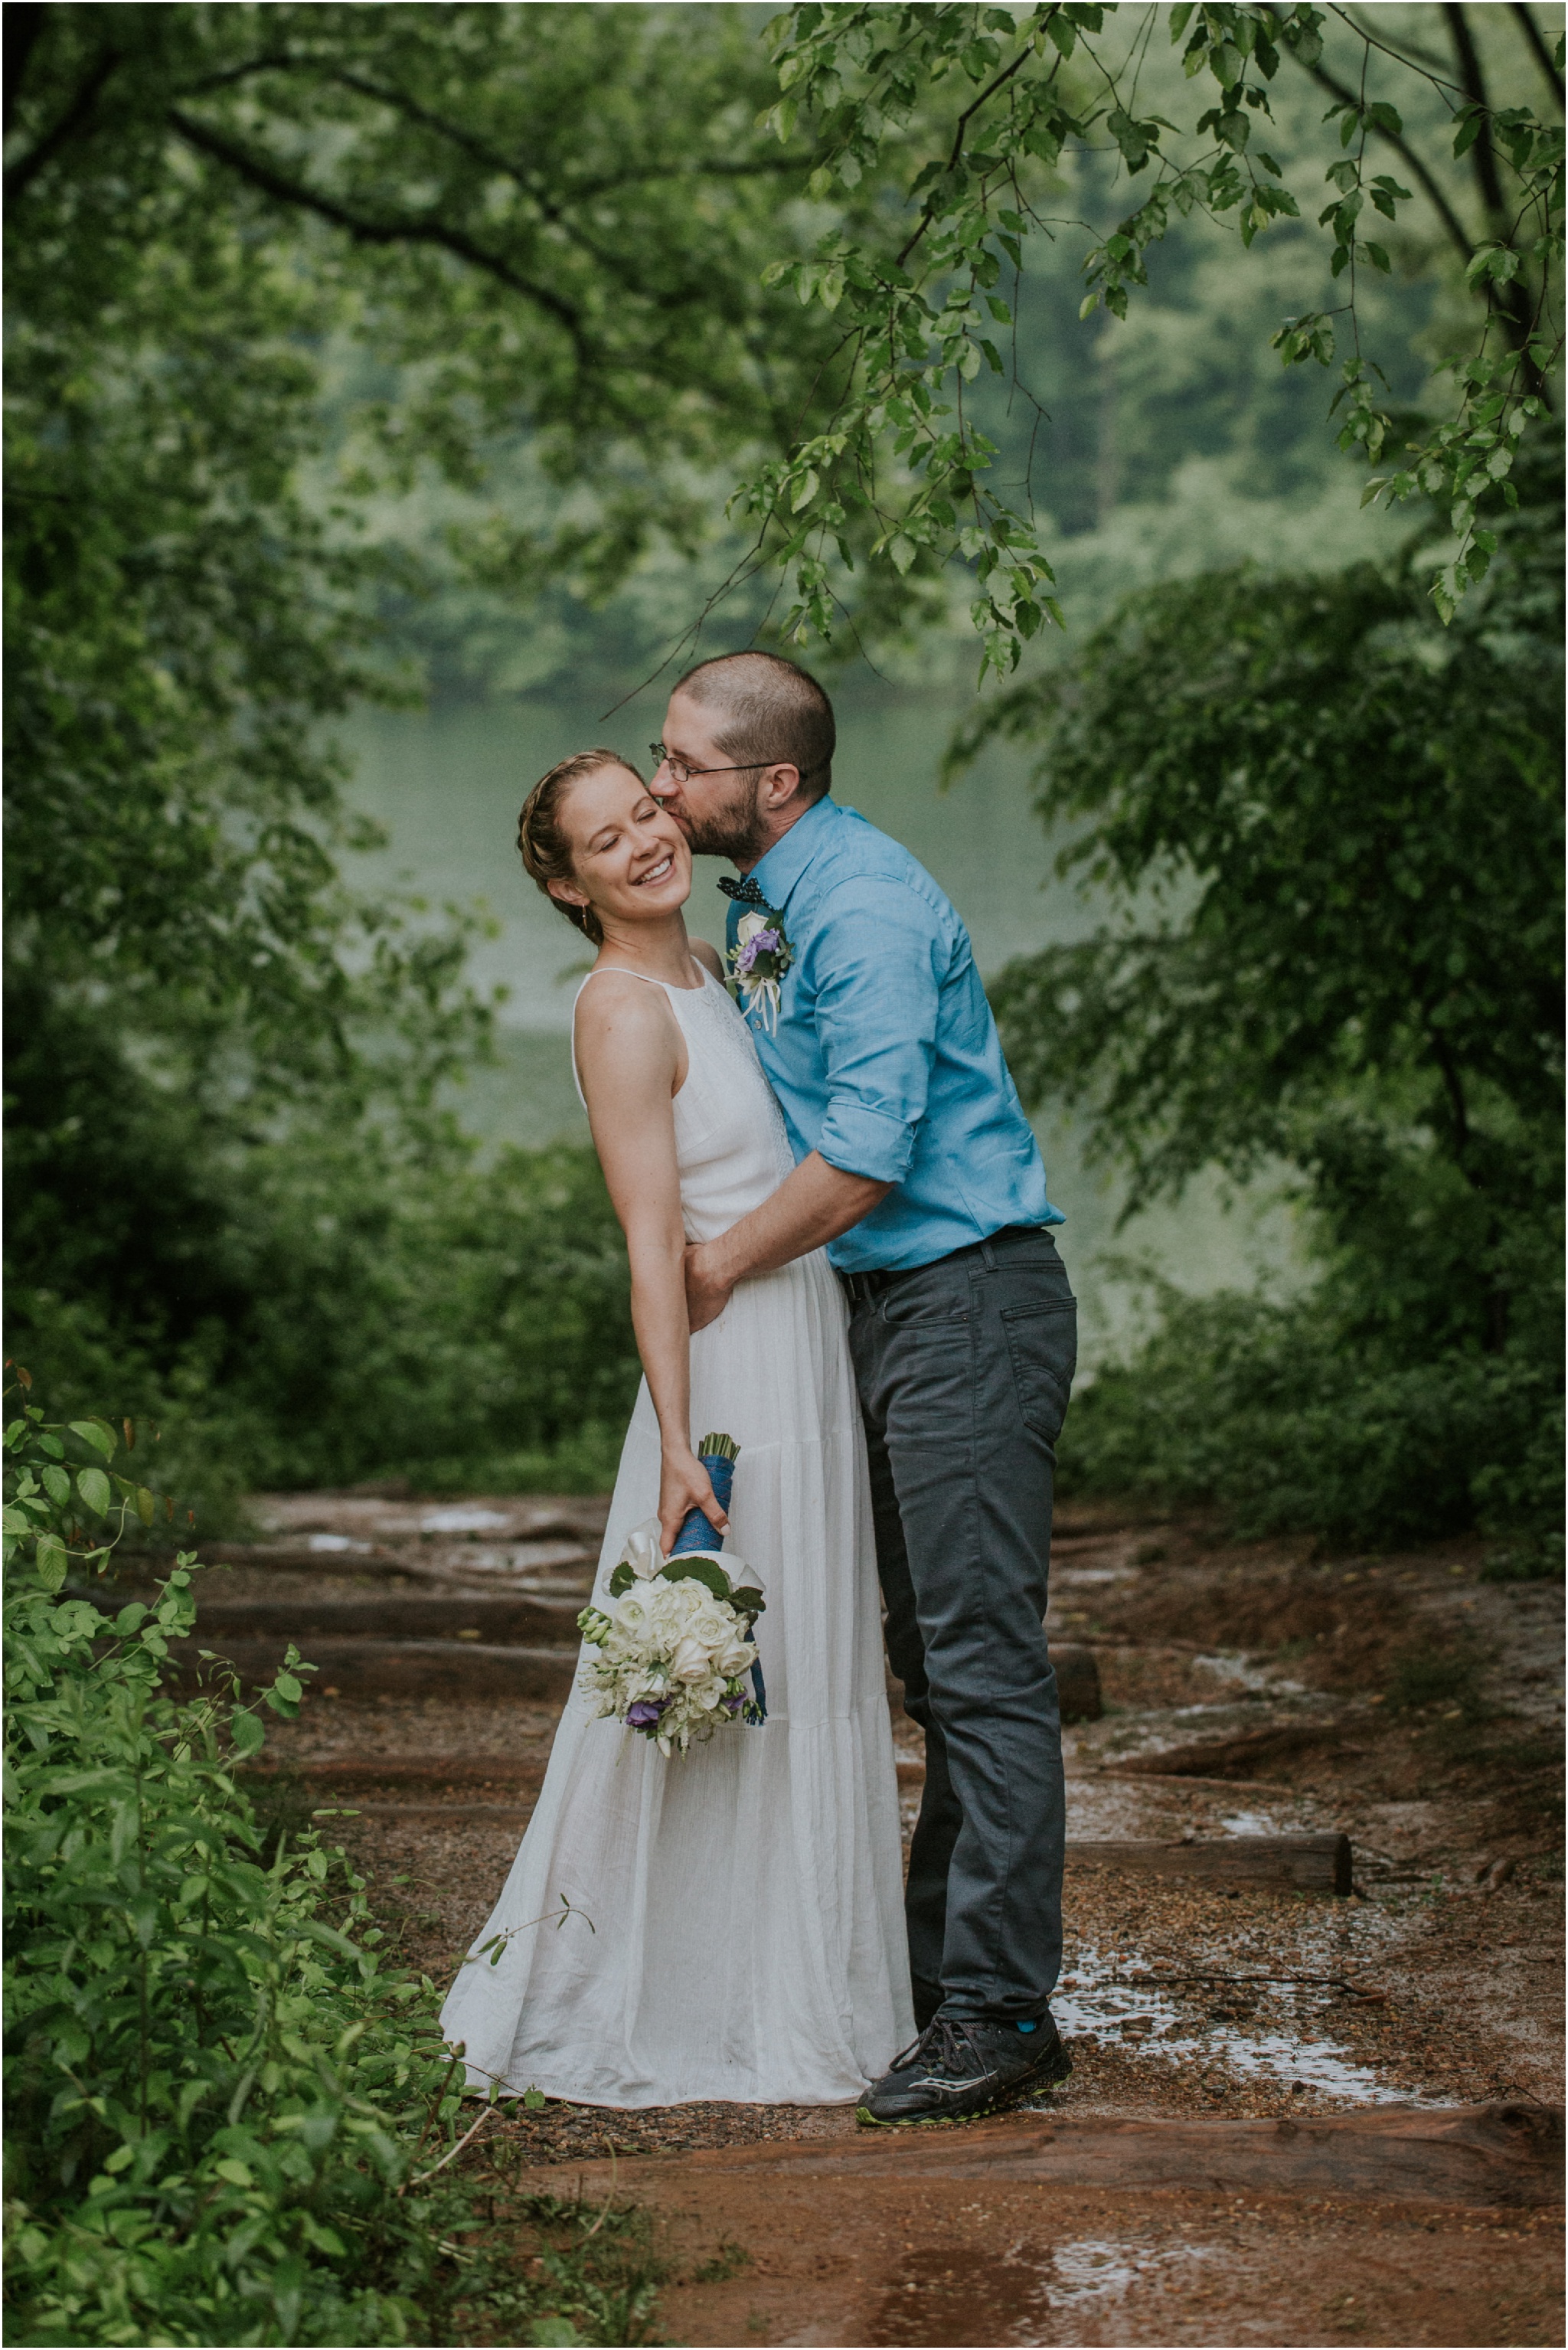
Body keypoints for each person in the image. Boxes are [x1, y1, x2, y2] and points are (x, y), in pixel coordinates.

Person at [439, 749, 912, 2108]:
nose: (644, 839)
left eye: (645, 811)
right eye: (605, 839)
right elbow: (654, 1246)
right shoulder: (623, 1009)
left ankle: (805, 1982)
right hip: (730, 1370)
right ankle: (629, 1995)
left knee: (809, 1668)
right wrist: (676, 1442)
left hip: (803, 1331)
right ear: (564, 883)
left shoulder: (718, 968)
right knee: (714, 1687)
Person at [653, 652, 1076, 2128]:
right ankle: (936, 1979)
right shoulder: (762, 898)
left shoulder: (865, 906)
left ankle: (1001, 2012)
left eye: (682, 764)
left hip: (966, 1300)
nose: (661, 785)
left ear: (772, 781)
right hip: (884, 1312)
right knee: (928, 1653)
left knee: (977, 1661)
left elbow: (870, 1152)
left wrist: (711, 1272)